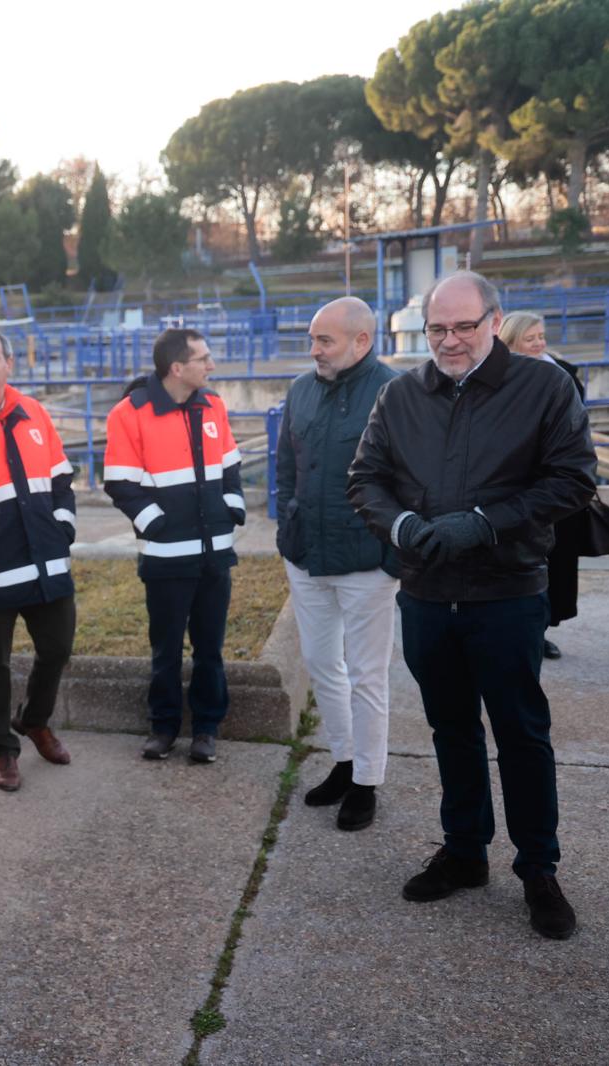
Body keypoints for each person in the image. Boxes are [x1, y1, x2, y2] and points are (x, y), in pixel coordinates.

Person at [347, 271, 596, 941]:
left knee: (521, 732)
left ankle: (539, 867)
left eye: (463, 326)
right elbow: (365, 478)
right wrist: (401, 529)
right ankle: (464, 851)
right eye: (437, 329)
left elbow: (574, 479)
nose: (450, 341)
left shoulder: (543, 387)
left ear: (494, 320)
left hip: (507, 594)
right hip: (427, 596)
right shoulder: (401, 395)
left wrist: (485, 522)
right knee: (450, 728)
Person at [275, 298, 401, 831]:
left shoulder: (395, 393)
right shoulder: (301, 390)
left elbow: (413, 480)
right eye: (312, 339)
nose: (314, 350)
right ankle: (344, 762)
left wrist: (395, 555)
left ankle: (367, 782)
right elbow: (286, 467)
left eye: (324, 340)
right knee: (324, 663)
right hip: (307, 557)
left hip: (366, 561)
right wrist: (287, 523)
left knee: (368, 675)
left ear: (362, 341)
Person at [103, 328, 245, 764]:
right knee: (165, 650)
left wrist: (232, 509)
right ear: (177, 368)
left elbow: (231, 467)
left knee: (210, 649)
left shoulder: (213, 406)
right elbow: (121, 483)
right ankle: (163, 727)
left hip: (214, 552)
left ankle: (206, 729)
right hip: (166, 557)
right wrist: (157, 525)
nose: (212, 365)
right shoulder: (129, 414)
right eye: (203, 358)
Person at [0, 329, 78, 792]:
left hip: (46, 559)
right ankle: (3, 751)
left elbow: (62, 477)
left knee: (58, 648)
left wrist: (63, 527)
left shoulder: (35, 412)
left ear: (10, 364)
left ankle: (35, 720)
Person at [498, 311, 587, 661]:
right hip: (516, 484)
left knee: (557, 562)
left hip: (556, 485)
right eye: (530, 338)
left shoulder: (564, 374)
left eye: (541, 336)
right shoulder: (499, 380)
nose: (539, 343)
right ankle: (522, 630)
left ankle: (543, 629)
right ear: (510, 342)